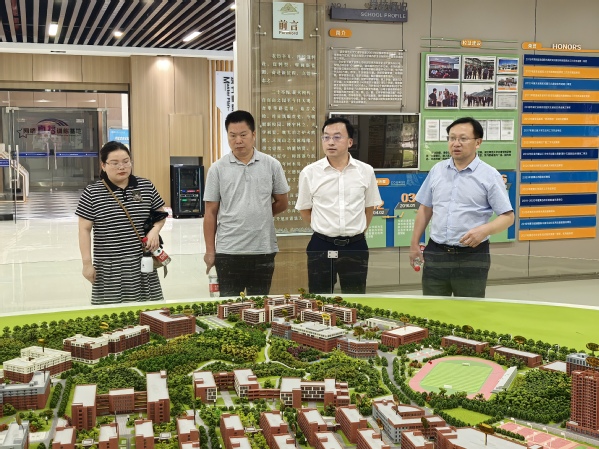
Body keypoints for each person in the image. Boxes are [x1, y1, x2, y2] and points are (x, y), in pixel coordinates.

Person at [409, 117, 514, 298]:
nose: (456, 143)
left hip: (472, 256)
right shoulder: (437, 170)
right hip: (436, 253)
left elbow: (508, 217)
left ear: (478, 142)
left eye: (463, 139)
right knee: (433, 308)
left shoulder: (489, 175)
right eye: (452, 138)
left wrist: (484, 230)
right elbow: (425, 208)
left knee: (468, 310)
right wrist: (414, 244)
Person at [203, 110, 290, 297]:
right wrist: (210, 251)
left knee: (259, 305)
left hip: (263, 249)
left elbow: (282, 202)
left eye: (243, 135)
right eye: (232, 135)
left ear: (253, 135)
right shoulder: (217, 169)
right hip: (228, 250)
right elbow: (210, 212)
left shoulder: (272, 165)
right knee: (229, 305)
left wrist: (261, 213)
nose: (238, 140)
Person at [296, 117, 382, 294]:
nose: (330, 142)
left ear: (350, 142)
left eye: (337, 137)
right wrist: (324, 228)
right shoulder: (310, 172)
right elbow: (304, 209)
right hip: (321, 244)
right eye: (326, 137)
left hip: (355, 245)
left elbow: (369, 207)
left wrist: (356, 231)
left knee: (355, 296)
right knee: (319, 297)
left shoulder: (365, 171)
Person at [76, 141, 167, 304]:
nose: (122, 167)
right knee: (111, 313)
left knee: (148, 311)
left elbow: (160, 214)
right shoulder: (92, 193)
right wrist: (86, 264)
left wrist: (155, 231)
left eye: (126, 161)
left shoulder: (145, 186)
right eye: (115, 163)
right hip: (109, 267)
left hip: (142, 262)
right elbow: (84, 229)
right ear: (103, 165)